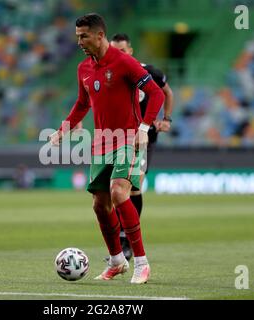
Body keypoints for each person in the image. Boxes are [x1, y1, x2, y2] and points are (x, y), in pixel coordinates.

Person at [50, 13, 164, 284]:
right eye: (77, 36)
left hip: (127, 138)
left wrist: (144, 128)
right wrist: (64, 127)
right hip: (102, 141)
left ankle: (142, 263)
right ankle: (116, 261)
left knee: (118, 193)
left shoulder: (124, 62)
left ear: (100, 35)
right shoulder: (84, 69)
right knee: (100, 205)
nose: (79, 41)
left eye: (84, 36)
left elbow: (157, 93)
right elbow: (82, 104)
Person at [110, 33, 174, 260]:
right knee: (116, 189)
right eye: (114, 51)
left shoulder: (150, 72)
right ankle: (121, 241)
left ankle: (127, 240)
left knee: (133, 187)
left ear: (131, 51)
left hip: (144, 137)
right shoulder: (110, 73)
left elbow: (166, 92)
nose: (118, 55)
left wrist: (166, 118)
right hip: (118, 136)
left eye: (122, 51)